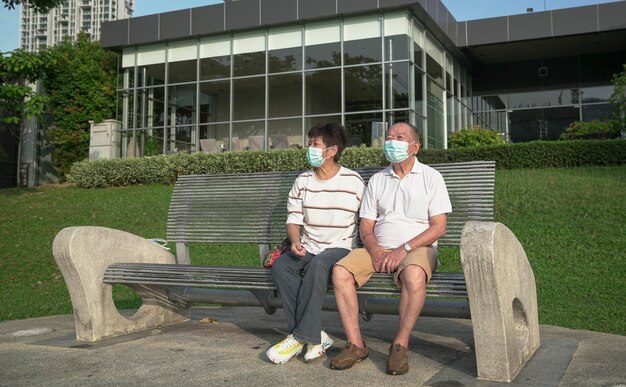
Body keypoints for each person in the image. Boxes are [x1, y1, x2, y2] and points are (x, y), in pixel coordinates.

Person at [329, 122, 452, 375]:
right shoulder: (377, 180)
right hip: (378, 248)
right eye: (388, 137)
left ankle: (400, 344)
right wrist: (373, 248)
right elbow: (366, 227)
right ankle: (356, 344)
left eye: (399, 137)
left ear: (414, 146)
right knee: (340, 272)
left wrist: (404, 249)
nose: (391, 141)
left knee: (414, 275)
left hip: (418, 248)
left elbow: (439, 227)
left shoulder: (431, 177)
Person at [266, 123, 365, 364]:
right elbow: (293, 218)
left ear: (332, 150)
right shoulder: (303, 181)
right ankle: (314, 337)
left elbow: (367, 218)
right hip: (308, 246)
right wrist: (294, 241)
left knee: (319, 265)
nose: (310, 148)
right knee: (282, 267)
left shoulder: (353, 181)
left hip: (340, 248)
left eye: (315, 144)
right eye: (309, 143)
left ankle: (298, 336)